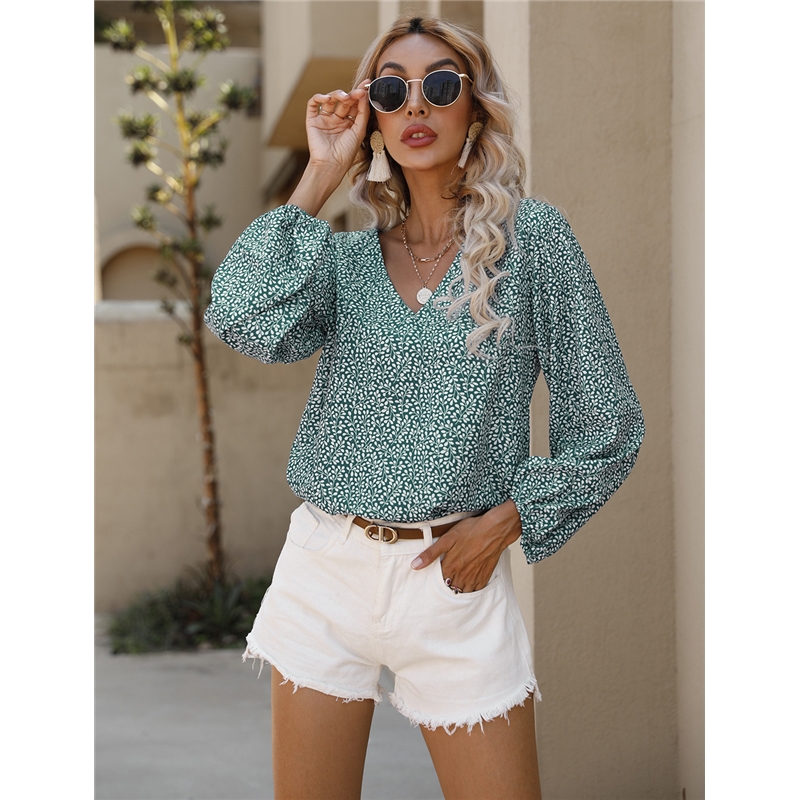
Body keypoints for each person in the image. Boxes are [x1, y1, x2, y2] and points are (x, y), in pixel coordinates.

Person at [204, 14, 644, 800]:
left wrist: (506, 521)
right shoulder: (341, 260)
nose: (416, 106)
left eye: (440, 86)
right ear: (371, 114)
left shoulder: (533, 243)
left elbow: (608, 423)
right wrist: (321, 172)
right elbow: (239, 315)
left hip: (454, 579)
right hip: (326, 570)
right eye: (391, 91)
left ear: (475, 107)